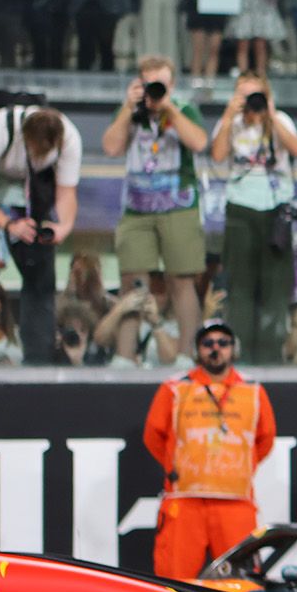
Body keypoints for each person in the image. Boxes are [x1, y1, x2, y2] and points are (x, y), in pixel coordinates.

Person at [142, 318, 277, 579]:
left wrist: (234, 468)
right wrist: (179, 466)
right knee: (174, 581)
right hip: (185, 501)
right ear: (197, 350)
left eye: (223, 343)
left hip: (235, 503)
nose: (216, 349)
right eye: (208, 343)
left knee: (241, 584)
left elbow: (265, 439)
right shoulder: (175, 388)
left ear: (233, 348)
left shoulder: (253, 390)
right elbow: (153, 437)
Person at [104, 56, 209, 366]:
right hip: (137, 209)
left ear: (172, 85)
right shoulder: (130, 112)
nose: (154, 90)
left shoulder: (184, 110)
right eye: (149, 84)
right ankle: (125, 356)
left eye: (161, 84)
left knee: (181, 280)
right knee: (132, 282)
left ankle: (186, 355)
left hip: (179, 206)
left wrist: (169, 109)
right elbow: (111, 148)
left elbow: (199, 142)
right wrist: (127, 108)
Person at [0, 101, 80, 365]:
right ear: (25, 138)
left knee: (41, 285)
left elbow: (67, 193)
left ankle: (39, 364)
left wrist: (63, 226)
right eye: (37, 152)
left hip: (31, 198)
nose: (40, 158)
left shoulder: (70, 138)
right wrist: (9, 224)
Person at [210, 74, 297, 366]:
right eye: (245, 95)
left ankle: (271, 356)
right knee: (240, 286)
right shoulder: (231, 122)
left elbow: (296, 148)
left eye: (256, 95)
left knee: (275, 286)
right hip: (240, 208)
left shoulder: (280, 120)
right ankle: (241, 355)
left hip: (276, 210)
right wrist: (229, 115)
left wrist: (270, 116)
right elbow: (217, 155)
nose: (252, 101)